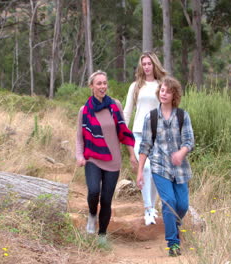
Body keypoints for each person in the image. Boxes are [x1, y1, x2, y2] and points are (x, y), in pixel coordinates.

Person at [76, 70, 138, 245]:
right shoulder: (84, 110)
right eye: (99, 83)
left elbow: (124, 132)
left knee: (106, 200)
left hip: (113, 161)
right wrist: (80, 156)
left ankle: (102, 235)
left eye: (105, 83)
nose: (103, 86)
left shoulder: (115, 105)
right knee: (94, 191)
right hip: (92, 158)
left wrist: (132, 155)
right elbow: (79, 137)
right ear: (91, 86)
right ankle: (91, 214)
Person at [136, 76, 194, 257]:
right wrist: (140, 173)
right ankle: (173, 244)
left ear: (174, 94)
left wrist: (181, 153)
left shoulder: (183, 116)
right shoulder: (151, 117)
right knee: (169, 203)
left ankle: (174, 225)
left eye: (168, 91)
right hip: (159, 166)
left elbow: (189, 141)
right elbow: (145, 146)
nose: (164, 93)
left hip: (180, 169)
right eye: (162, 90)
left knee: (182, 205)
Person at [123, 52, 167, 226]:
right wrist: (123, 132)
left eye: (149, 63)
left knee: (156, 171)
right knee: (146, 168)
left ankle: (153, 207)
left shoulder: (162, 85)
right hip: (139, 133)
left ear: (154, 64)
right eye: (144, 64)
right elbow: (127, 110)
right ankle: (148, 208)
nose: (147, 67)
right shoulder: (135, 86)